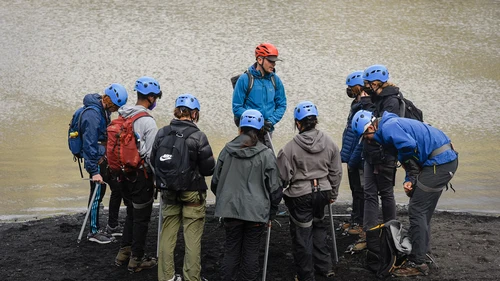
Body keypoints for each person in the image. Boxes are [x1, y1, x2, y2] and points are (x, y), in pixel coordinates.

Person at [351, 110, 458, 277]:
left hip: (440, 162)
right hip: (442, 161)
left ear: (372, 127)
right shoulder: (388, 127)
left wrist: (411, 170)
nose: (366, 140)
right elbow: (410, 157)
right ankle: (422, 253)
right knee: (423, 210)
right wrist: (410, 179)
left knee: (417, 209)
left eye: (366, 136)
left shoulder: (388, 128)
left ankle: (418, 262)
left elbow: (408, 147)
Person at [211, 109, 282, 281]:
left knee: (231, 250)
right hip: (256, 213)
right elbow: (275, 189)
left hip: (230, 210)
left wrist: (224, 199)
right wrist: (271, 212)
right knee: (251, 252)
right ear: (259, 130)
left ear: (240, 128)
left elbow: (215, 182)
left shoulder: (226, 151)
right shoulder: (266, 154)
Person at [277, 101, 342, 281]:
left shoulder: (289, 148)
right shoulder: (329, 142)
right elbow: (336, 171)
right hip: (323, 192)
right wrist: (333, 193)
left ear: (298, 123)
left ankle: (306, 275)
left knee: (302, 234)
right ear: (315, 121)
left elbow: (282, 178)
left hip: (300, 195)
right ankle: (325, 267)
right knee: (319, 226)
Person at [154, 94, 216, 281]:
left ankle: (166, 277)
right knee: (192, 238)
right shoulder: (198, 136)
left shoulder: (162, 132)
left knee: (167, 235)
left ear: (176, 111)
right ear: (194, 113)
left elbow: (152, 160)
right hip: (192, 193)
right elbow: (208, 169)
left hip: (168, 191)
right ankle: (191, 278)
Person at [113, 76, 162, 273]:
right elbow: (151, 155)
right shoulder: (148, 122)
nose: (156, 100)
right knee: (142, 218)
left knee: (131, 214)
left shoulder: (124, 114)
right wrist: (157, 177)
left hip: (123, 174)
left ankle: (123, 253)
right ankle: (137, 259)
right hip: (140, 176)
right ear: (150, 97)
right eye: (156, 97)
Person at [80, 83, 128, 244]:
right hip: (96, 160)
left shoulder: (104, 110)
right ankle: (93, 231)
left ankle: (112, 226)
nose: (116, 109)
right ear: (109, 100)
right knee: (97, 192)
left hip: (103, 157)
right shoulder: (93, 115)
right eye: (116, 106)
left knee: (117, 187)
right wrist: (94, 171)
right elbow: (88, 144)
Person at [360, 64, 402, 233]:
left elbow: (382, 127)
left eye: (368, 84)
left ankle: (391, 232)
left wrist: (366, 105)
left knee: (386, 194)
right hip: (371, 153)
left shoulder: (391, 102)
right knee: (369, 193)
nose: (366, 87)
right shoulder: (377, 98)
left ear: (376, 83)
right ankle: (369, 232)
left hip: (385, 155)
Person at [232, 42, 287, 148]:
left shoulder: (275, 80)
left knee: (268, 161)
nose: (273, 64)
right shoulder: (244, 79)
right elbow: (237, 107)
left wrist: (271, 121)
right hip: (248, 131)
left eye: (274, 61)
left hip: (267, 131)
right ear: (260, 59)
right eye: (270, 61)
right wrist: (256, 120)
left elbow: (282, 104)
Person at [340, 70, 366, 237]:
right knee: (354, 189)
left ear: (358, 86)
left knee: (361, 191)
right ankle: (354, 219)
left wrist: (354, 159)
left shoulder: (365, 106)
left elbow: (361, 137)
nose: (348, 90)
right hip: (351, 155)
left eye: (350, 87)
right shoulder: (356, 104)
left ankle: (361, 223)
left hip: (360, 157)